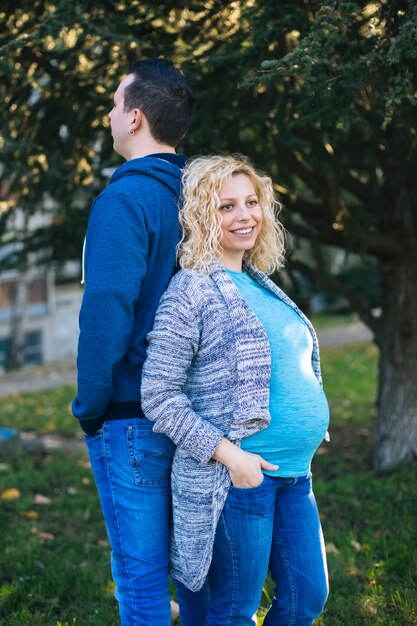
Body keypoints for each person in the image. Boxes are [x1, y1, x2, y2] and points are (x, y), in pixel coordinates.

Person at [141, 154, 330, 625]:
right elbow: (159, 396)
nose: (244, 215)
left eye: (251, 202)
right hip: (237, 481)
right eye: (227, 207)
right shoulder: (190, 291)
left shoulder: (260, 283)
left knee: (306, 599)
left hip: (294, 476)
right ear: (203, 215)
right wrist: (232, 458)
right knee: (233, 613)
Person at [72, 59, 199, 625]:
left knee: (142, 582)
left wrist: (90, 406)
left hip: (133, 415)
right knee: (199, 574)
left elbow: (106, 311)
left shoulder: (123, 203)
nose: (108, 115)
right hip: (203, 417)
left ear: (137, 118)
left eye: (115, 103)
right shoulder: (205, 200)